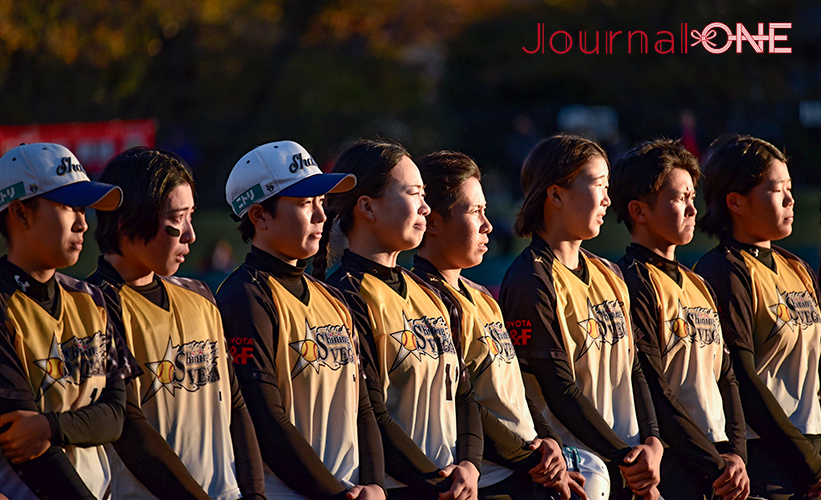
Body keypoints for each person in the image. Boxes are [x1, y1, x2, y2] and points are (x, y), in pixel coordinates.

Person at [413, 150, 608, 500]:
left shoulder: (482, 296)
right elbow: (463, 401)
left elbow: (513, 390)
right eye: (475, 212)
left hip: (520, 472)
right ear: (434, 221)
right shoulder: (425, 302)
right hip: (485, 479)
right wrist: (531, 458)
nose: (488, 225)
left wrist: (547, 438)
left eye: (486, 212)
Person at [86, 147, 266, 500]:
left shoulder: (200, 295)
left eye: (191, 215)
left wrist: (255, 494)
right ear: (125, 220)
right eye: (176, 218)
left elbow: (236, 404)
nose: (190, 235)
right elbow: (129, 427)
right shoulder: (92, 305)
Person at [312, 140, 483, 500]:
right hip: (403, 488)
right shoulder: (344, 295)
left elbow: (465, 394)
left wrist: (470, 465)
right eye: (414, 193)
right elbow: (370, 411)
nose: (425, 207)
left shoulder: (430, 292)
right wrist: (436, 480)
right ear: (367, 207)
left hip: (456, 486)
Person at [216, 140, 385, 500]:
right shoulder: (243, 296)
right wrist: (336, 494)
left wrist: (374, 486)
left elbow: (364, 405)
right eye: (306, 203)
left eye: (322, 202)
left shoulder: (333, 297)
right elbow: (266, 420)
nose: (322, 216)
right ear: (259, 216)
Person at [499, 134, 663, 500]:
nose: (608, 199)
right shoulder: (531, 278)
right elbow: (557, 387)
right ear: (555, 195)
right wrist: (625, 456)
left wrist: (652, 441)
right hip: (580, 474)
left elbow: (634, 369)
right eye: (599, 186)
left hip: (630, 465)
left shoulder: (609, 273)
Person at [610, 139, 749, 500]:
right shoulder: (633, 281)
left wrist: (736, 453)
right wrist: (717, 463)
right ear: (639, 211)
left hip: (721, 462)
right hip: (676, 463)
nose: (692, 210)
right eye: (678, 199)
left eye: (692, 198)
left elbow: (727, 377)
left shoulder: (698, 282)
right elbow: (654, 387)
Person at [0, 143, 136, 500]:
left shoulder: (91, 298)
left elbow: (116, 414)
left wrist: (51, 425)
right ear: (20, 213)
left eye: (83, 208)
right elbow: (23, 445)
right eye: (67, 207)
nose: (82, 222)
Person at [693, 135, 821, 499]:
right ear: (735, 201)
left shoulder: (796, 267)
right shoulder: (724, 271)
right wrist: (809, 466)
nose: (790, 199)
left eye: (790, 188)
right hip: (765, 458)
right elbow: (742, 381)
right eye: (777, 189)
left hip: (814, 447)